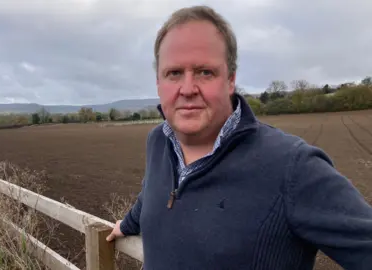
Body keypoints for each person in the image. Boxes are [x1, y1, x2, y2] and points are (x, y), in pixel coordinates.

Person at [105, 5, 372, 270]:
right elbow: (152, 193)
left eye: (204, 72)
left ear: (230, 80)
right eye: (174, 73)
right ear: (158, 83)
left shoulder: (292, 167)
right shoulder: (158, 142)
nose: (187, 89)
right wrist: (127, 225)